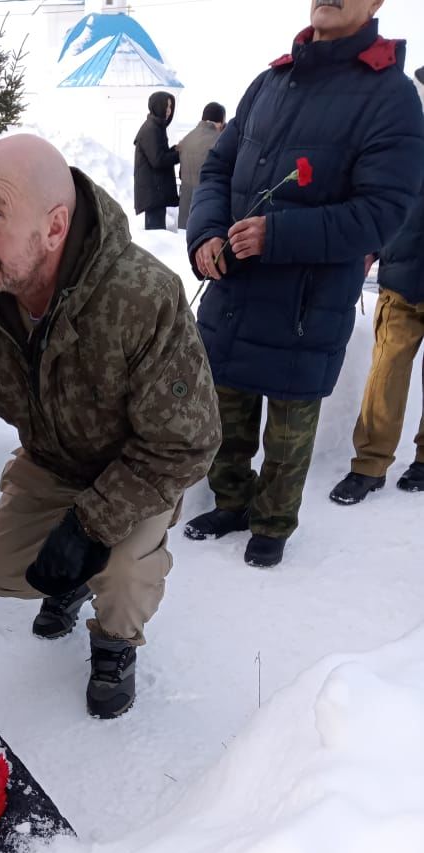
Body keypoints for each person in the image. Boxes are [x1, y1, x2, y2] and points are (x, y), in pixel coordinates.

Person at [0, 134, 221, 719]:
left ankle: (114, 642)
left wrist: (91, 525)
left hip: (138, 471)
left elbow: (186, 442)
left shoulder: (141, 298)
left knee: (125, 572)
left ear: (54, 227)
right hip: (55, 461)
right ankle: (76, 578)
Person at [184, 0, 424, 568]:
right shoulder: (271, 81)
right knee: (226, 411)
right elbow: (218, 169)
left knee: (288, 431)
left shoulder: (390, 96)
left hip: (305, 305)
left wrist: (279, 234)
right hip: (235, 290)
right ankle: (231, 503)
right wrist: (206, 234)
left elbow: (381, 212)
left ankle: (272, 523)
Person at [330, 65, 424, 503]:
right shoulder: (403, 130)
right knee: (386, 370)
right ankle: (369, 464)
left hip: (403, 262)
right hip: (403, 272)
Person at [133, 91, 179, 230]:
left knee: (157, 229)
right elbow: (158, 160)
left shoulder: (157, 127)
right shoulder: (151, 129)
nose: (169, 111)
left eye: (171, 107)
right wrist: (178, 155)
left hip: (156, 191)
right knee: (156, 232)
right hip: (153, 192)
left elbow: (159, 154)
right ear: (158, 106)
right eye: (166, 106)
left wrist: (174, 150)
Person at [177, 103, 226, 231]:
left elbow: (181, 172)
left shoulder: (188, 137)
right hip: (205, 203)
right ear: (220, 121)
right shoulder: (220, 140)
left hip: (185, 203)